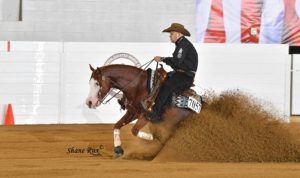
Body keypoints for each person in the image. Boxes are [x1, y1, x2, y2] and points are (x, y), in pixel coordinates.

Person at [143, 23, 198, 123]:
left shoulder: (183, 45)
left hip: (185, 76)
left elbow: (176, 62)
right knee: (161, 80)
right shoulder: (182, 44)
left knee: (167, 86)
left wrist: (162, 59)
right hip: (181, 73)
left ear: (178, 34)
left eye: (171, 34)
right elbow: (177, 63)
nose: (170, 36)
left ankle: (155, 113)